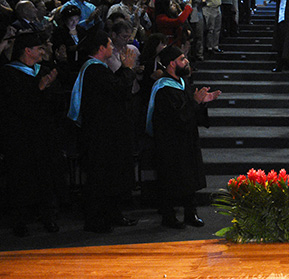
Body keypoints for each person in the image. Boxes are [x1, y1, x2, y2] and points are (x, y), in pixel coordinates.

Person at [68, 30, 140, 233]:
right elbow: (118, 91)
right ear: (100, 48)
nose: (112, 48)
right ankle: (97, 220)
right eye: (109, 44)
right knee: (100, 179)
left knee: (110, 178)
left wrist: (123, 71)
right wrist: (127, 69)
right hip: (101, 136)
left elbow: (112, 89)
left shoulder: (98, 69)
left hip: (106, 134)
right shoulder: (94, 70)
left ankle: (112, 214)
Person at [147, 46, 220, 228]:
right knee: (170, 179)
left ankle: (190, 213)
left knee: (189, 177)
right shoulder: (163, 88)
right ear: (172, 64)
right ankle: (169, 216)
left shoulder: (182, 82)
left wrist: (202, 103)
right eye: (182, 59)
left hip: (187, 139)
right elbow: (176, 118)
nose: (186, 61)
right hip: (170, 142)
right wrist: (195, 102)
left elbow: (190, 111)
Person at [0, 32, 61, 236]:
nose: (43, 51)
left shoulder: (43, 70)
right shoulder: (9, 74)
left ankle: (49, 217)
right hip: (20, 137)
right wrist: (39, 88)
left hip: (44, 134)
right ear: (27, 51)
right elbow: (16, 106)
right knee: (21, 178)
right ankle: (20, 220)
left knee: (46, 175)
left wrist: (47, 88)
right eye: (39, 48)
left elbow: (55, 104)